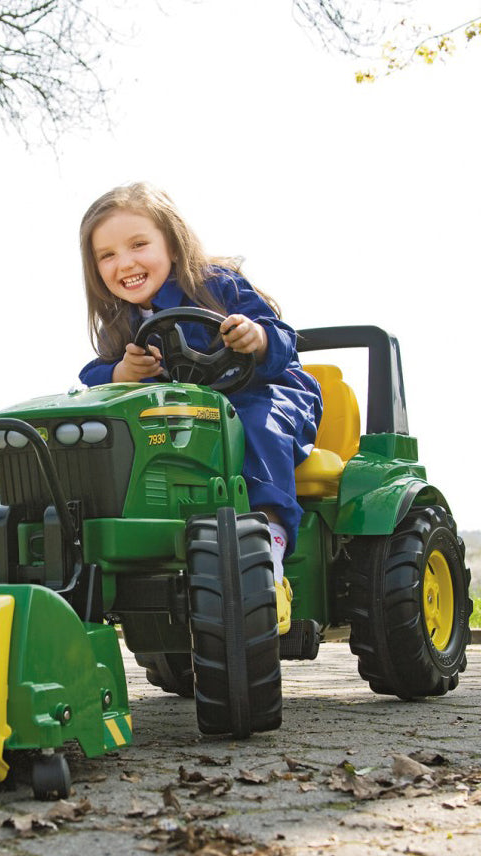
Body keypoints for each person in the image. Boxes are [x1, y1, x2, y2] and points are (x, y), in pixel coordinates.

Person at [78, 182, 322, 605]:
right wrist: (121, 371)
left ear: (172, 245)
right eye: (108, 255)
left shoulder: (217, 285)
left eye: (138, 245)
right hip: (189, 420)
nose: (126, 263)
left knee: (252, 428)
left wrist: (256, 337)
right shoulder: (120, 321)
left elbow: (283, 339)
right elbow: (93, 375)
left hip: (265, 392)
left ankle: (268, 539)